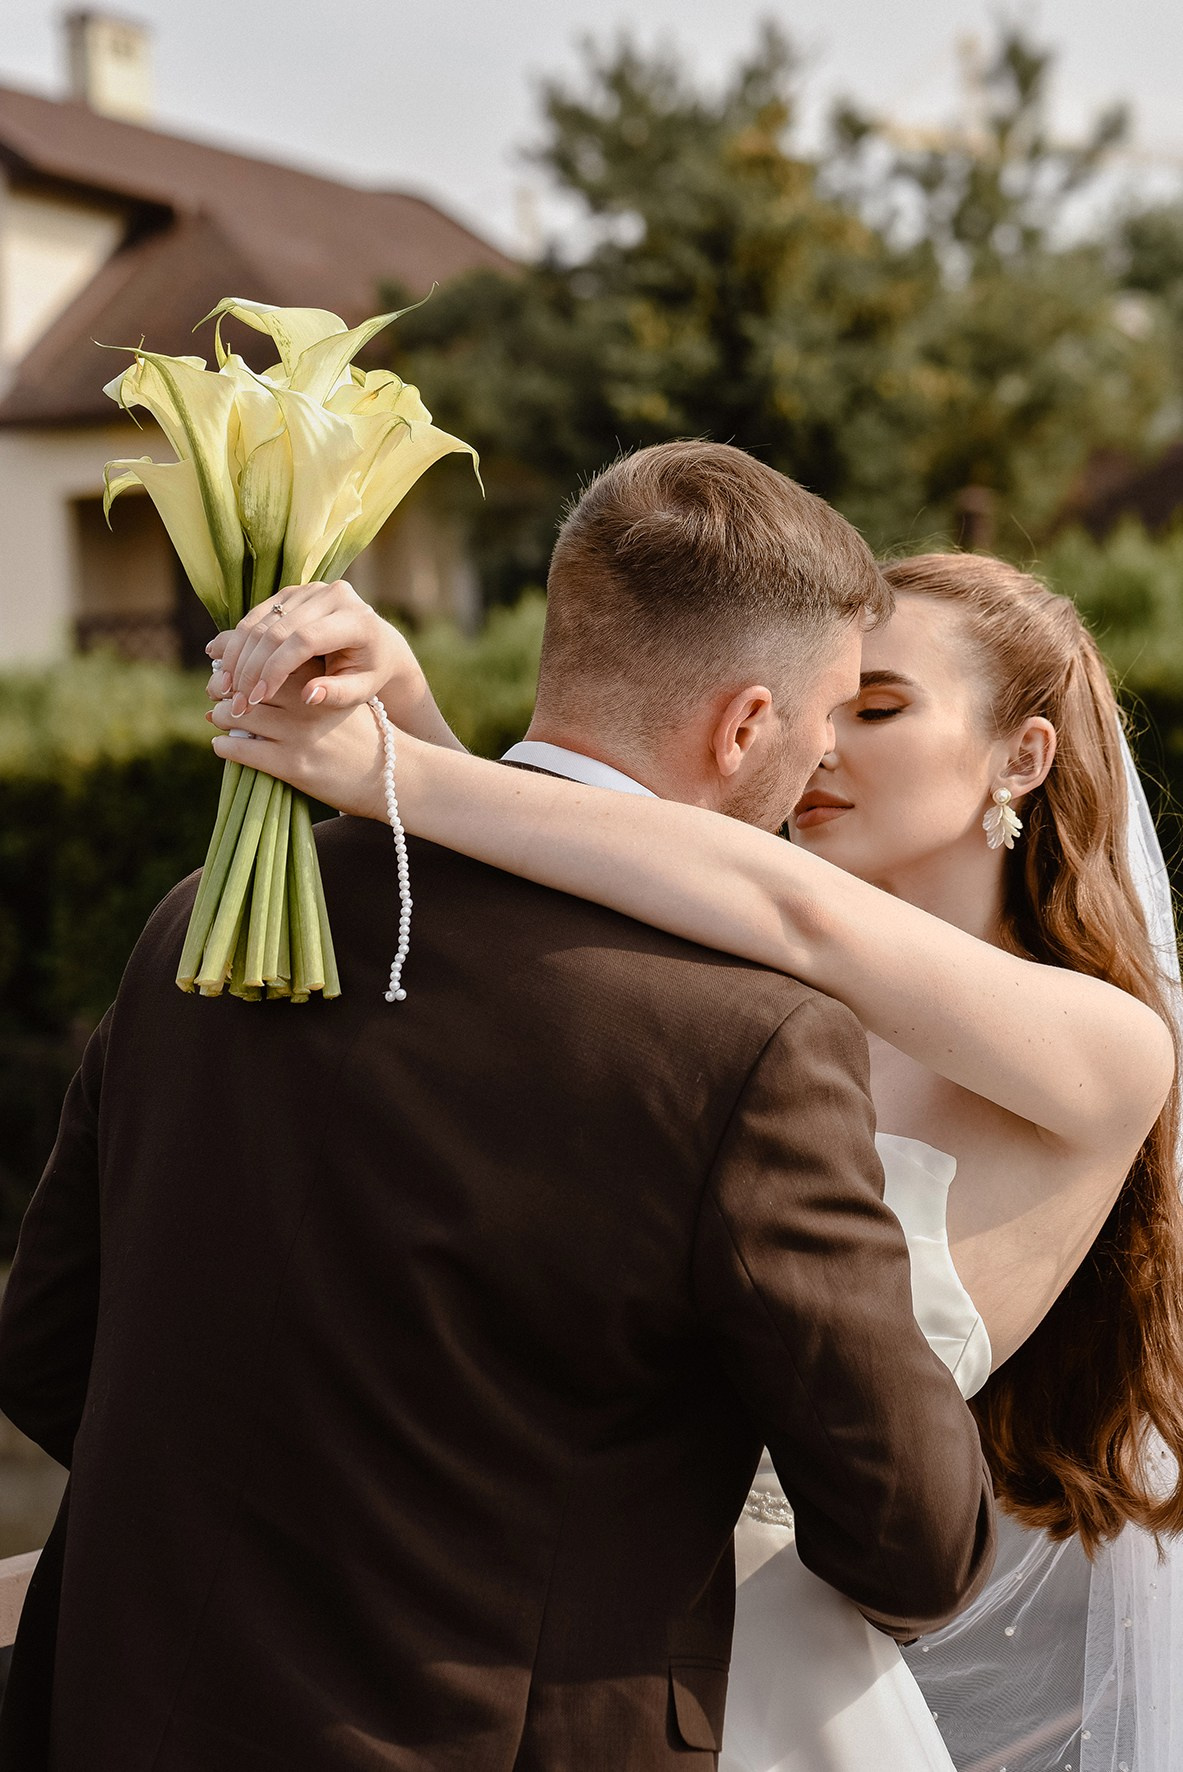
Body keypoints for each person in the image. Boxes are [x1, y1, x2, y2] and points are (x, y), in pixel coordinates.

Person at [0, 443, 997, 1772]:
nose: (823, 752)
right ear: (743, 723)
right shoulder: (746, 1037)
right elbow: (908, 1538)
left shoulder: (209, 918)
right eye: (825, 715)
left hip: (119, 1716)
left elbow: (45, 1345)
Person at [204, 544, 1183, 1772]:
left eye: (877, 708)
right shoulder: (737, 990)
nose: (820, 746)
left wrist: (395, 774)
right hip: (503, 1631)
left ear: (1021, 757)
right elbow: (564, 911)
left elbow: (795, 909)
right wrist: (406, 708)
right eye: (825, 705)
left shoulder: (1106, 1046)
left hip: (759, 1678)